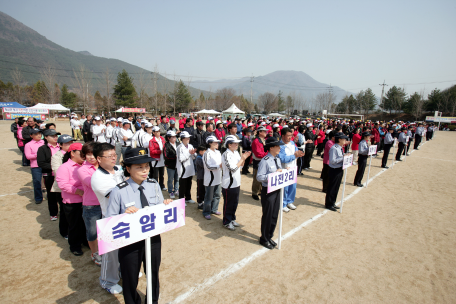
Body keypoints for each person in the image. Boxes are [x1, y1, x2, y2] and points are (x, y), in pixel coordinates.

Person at [106, 148, 172, 304]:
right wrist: (124, 215)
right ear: (128, 169)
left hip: (153, 238)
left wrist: (165, 204)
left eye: (147, 166)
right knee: (130, 276)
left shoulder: (153, 184)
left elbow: (157, 207)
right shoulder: (118, 191)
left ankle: (152, 300)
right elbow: (110, 221)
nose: (145, 171)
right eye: (139, 167)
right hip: (130, 243)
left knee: (153, 273)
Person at [91, 143, 125, 295]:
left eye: (114, 155)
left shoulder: (118, 169)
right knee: (110, 255)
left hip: (126, 216)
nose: (114, 158)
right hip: (111, 219)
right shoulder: (98, 178)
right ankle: (107, 281)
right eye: (109, 156)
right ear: (99, 159)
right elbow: (119, 196)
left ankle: (123, 271)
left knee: (126, 249)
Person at [55, 142, 86, 256]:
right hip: (73, 202)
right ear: (72, 153)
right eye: (81, 153)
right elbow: (63, 184)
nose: (84, 156)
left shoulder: (85, 165)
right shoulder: (64, 167)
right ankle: (74, 245)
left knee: (84, 223)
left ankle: (85, 241)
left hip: (85, 201)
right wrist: (78, 191)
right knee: (74, 225)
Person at [256, 137, 284, 250]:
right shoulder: (265, 160)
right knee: (267, 215)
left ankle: (269, 235)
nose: (279, 148)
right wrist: (272, 176)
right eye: (277, 146)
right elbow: (259, 177)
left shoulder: (276, 159)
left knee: (274, 214)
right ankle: (264, 238)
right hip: (268, 191)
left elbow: (279, 170)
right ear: (271, 147)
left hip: (277, 190)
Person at [77, 142, 102, 266]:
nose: (91, 157)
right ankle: (95, 253)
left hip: (106, 203)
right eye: (88, 154)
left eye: (93, 154)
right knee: (92, 232)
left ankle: (105, 251)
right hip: (91, 205)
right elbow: (93, 184)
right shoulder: (83, 169)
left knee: (106, 231)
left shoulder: (104, 165)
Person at [221, 135, 251, 230]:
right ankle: (226, 221)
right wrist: (242, 159)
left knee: (235, 203)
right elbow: (233, 168)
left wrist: (244, 158)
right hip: (228, 183)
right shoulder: (226, 154)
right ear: (229, 145)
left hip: (236, 182)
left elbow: (240, 166)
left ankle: (232, 219)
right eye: (235, 143)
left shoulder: (236, 153)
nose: (237, 144)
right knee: (228, 203)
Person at [50, 134, 73, 239]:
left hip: (74, 187)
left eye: (71, 143)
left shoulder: (75, 154)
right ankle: (64, 231)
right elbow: (57, 172)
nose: (69, 145)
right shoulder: (56, 156)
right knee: (64, 211)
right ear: (60, 145)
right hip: (61, 188)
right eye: (67, 143)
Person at [277, 127, 304, 213]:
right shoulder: (280, 145)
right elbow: (283, 159)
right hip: (284, 169)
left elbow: (297, 152)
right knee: (284, 188)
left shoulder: (292, 143)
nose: (290, 137)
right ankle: (283, 204)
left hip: (293, 168)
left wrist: (298, 154)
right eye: (288, 136)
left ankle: (289, 201)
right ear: (283, 135)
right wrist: (294, 156)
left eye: (291, 135)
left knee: (293, 187)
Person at [37, 129, 61, 220]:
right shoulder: (42, 149)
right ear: (46, 137)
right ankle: (53, 213)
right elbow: (41, 163)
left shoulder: (61, 147)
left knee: (62, 195)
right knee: (51, 195)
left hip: (62, 175)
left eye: (56, 136)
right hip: (50, 175)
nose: (55, 138)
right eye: (52, 136)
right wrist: (56, 167)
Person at [325, 133, 349, 212]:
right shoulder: (334, 148)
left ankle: (333, 202)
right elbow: (333, 161)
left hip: (339, 169)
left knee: (336, 187)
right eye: (344, 139)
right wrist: (343, 158)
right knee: (332, 188)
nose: (345, 140)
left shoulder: (340, 148)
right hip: (334, 170)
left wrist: (345, 155)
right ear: (339, 139)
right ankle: (329, 204)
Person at [202, 135, 222, 220]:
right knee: (209, 197)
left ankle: (214, 209)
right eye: (215, 142)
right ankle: (206, 212)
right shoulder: (206, 153)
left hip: (218, 178)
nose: (217, 143)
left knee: (217, 195)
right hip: (210, 179)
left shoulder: (218, 152)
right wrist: (219, 166)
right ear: (210, 143)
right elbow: (208, 167)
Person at [24, 128, 45, 204]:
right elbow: (28, 156)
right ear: (31, 135)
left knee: (48, 181)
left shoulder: (44, 142)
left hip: (45, 165)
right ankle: (38, 197)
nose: (39, 135)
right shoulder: (28, 145)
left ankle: (50, 195)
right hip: (35, 166)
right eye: (36, 134)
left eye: (39, 133)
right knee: (37, 182)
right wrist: (39, 155)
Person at [176, 131, 196, 204]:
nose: (188, 139)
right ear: (183, 138)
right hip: (183, 169)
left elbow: (193, 157)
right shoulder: (179, 147)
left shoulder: (190, 146)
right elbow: (181, 159)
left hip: (189, 168)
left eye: (189, 137)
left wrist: (193, 154)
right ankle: (181, 200)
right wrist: (189, 154)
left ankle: (188, 197)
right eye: (187, 137)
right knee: (183, 185)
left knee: (189, 184)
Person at [251, 126, 268, 200]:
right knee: (257, 178)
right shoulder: (256, 141)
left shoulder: (263, 140)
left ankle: (260, 191)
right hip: (258, 161)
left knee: (263, 177)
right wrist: (267, 154)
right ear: (260, 132)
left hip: (263, 160)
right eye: (264, 131)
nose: (266, 132)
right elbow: (258, 153)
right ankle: (254, 192)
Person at [149, 126, 166, 191]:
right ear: (153, 133)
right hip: (155, 160)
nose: (159, 133)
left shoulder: (162, 139)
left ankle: (162, 185)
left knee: (162, 174)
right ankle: (155, 187)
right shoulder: (151, 141)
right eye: (157, 132)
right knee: (155, 175)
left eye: (159, 131)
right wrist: (160, 151)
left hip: (162, 159)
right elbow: (152, 151)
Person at [164, 130, 179, 199]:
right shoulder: (166, 145)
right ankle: (170, 191)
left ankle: (176, 190)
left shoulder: (178, 144)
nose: (174, 138)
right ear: (168, 138)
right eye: (172, 137)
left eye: (175, 137)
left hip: (177, 165)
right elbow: (166, 156)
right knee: (170, 179)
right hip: (170, 165)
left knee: (177, 178)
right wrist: (174, 156)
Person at [195, 145, 207, 210]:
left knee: (204, 190)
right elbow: (204, 165)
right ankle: (199, 203)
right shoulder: (199, 158)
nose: (205, 152)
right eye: (204, 151)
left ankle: (203, 202)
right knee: (200, 190)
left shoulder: (202, 157)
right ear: (200, 151)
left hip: (204, 176)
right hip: (200, 177)